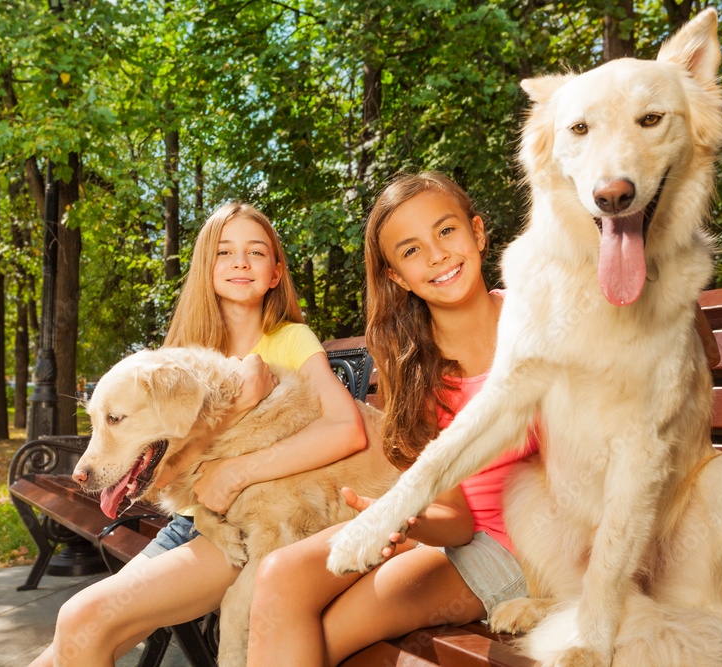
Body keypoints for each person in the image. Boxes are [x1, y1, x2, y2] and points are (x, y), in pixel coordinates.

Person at [31, 201, 366, 667]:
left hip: (244, 530)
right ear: (205, 267)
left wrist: (233, 471)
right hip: (194, 522)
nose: (241, 262)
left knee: (80, 617)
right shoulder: (188, 354)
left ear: (276, 272)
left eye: (256, 252)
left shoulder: (291, 340)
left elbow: (348, 430)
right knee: (68, 643)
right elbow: (170, 477)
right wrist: (242, 404)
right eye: (224, 252)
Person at [246, 171, 541, 667]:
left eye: (446, 231)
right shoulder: (418, 369)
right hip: (463, 541)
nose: (437, 255)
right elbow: (456, 522)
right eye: (410, 251)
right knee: (280, 573)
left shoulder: (538, 320)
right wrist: (405, 515)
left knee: (331, 640)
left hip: (533, 550)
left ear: (479, 233)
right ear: (397, 278)